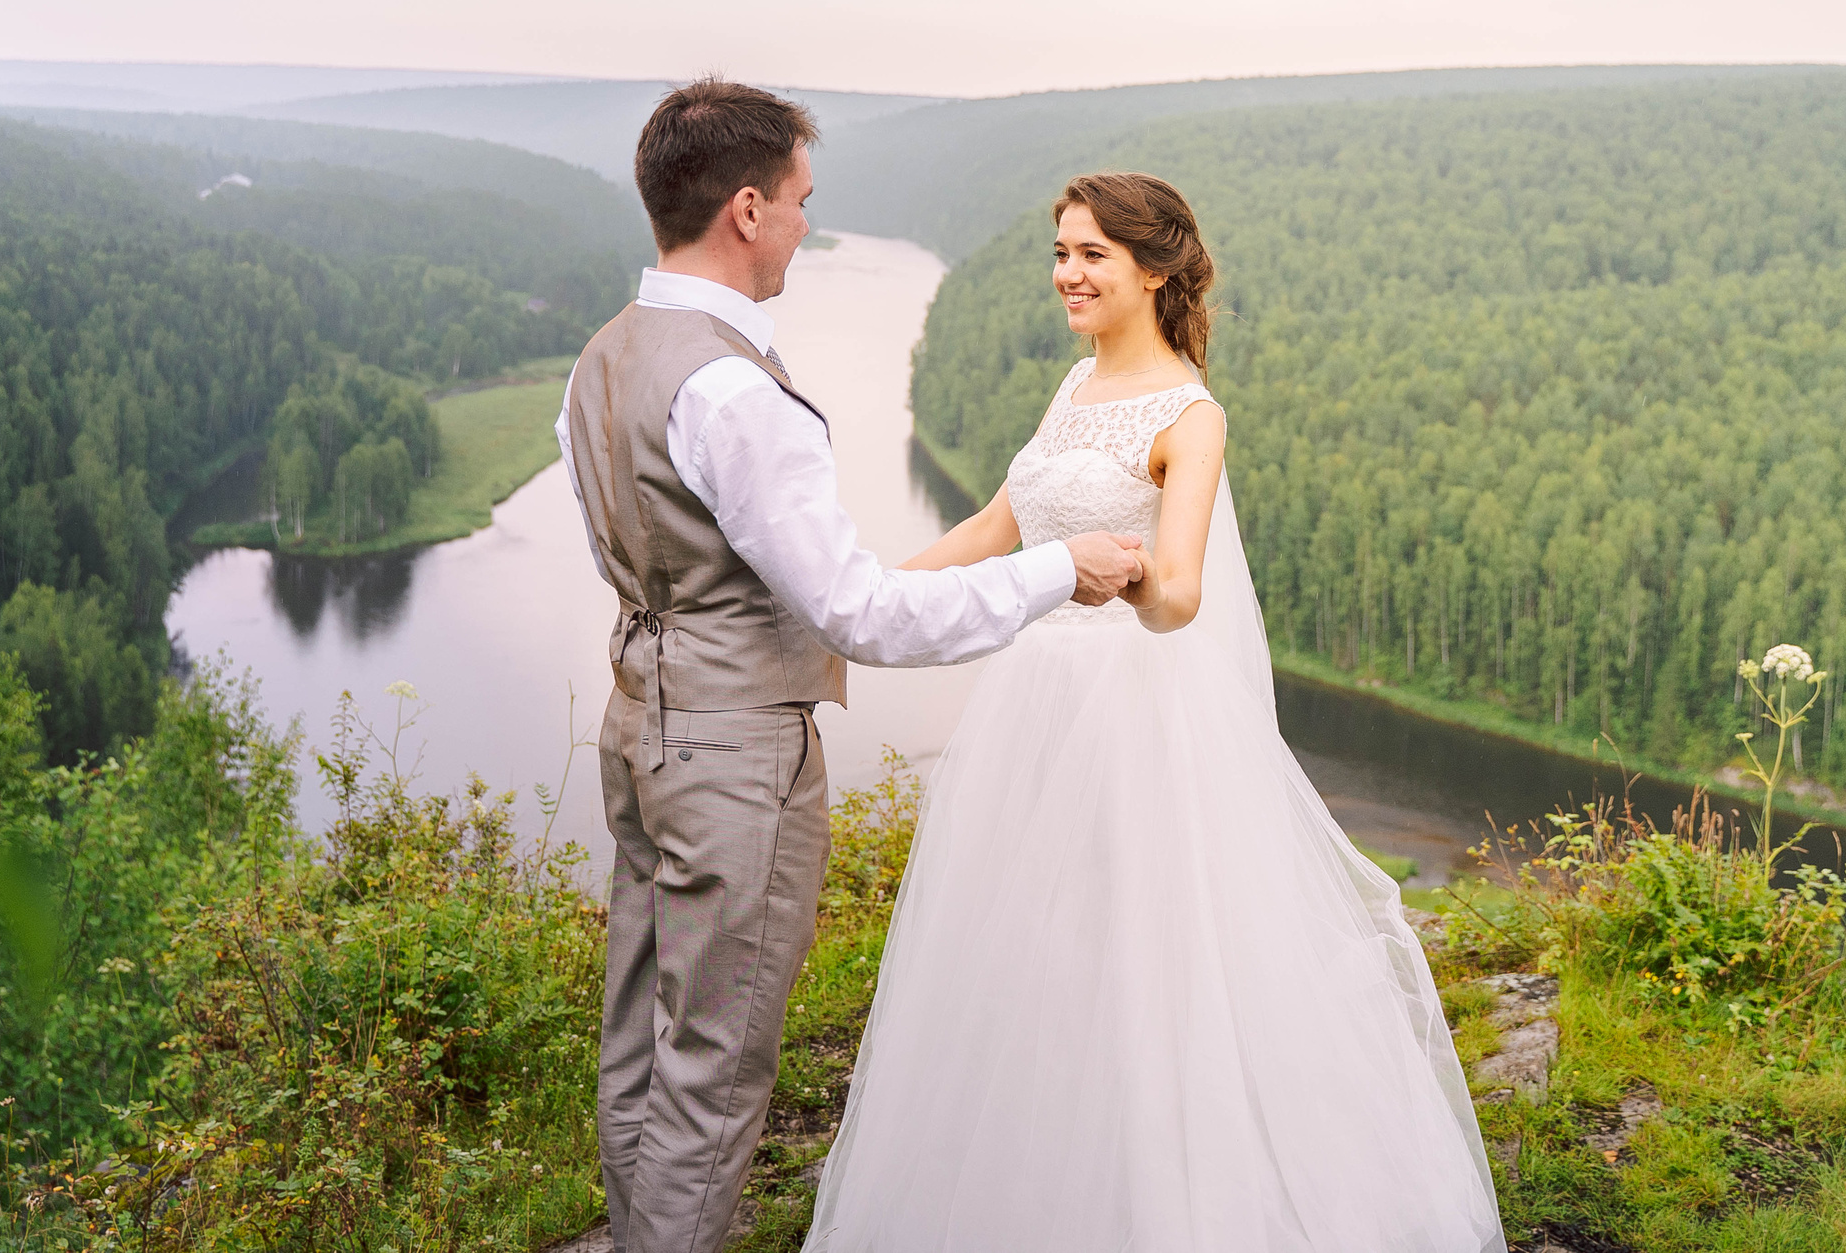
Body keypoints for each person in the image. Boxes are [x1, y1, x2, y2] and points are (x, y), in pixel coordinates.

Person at [801, 172, 1508, 1252]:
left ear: (1155, 269)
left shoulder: (1190, 413)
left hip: (1131, 719)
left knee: (1138, 959)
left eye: (1088, 255)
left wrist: (1107, 570)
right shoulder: (1074, 388)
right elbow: (1001, 519)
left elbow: (1178, 595)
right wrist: (860, 606)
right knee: (1024, 953)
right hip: (1034, 707)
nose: (1065, 275)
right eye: (1059, 253)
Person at [555, 81, 1152, 1253]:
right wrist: (1054, 571)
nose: (804, 227)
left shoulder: (606, 357)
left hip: (641, 734)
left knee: (638, 1039)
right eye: (796, 203)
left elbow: (633, 557)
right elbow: (860, 614)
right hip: (733, 759)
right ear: (742, 210)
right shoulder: (735, 390)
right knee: (715, 1071)